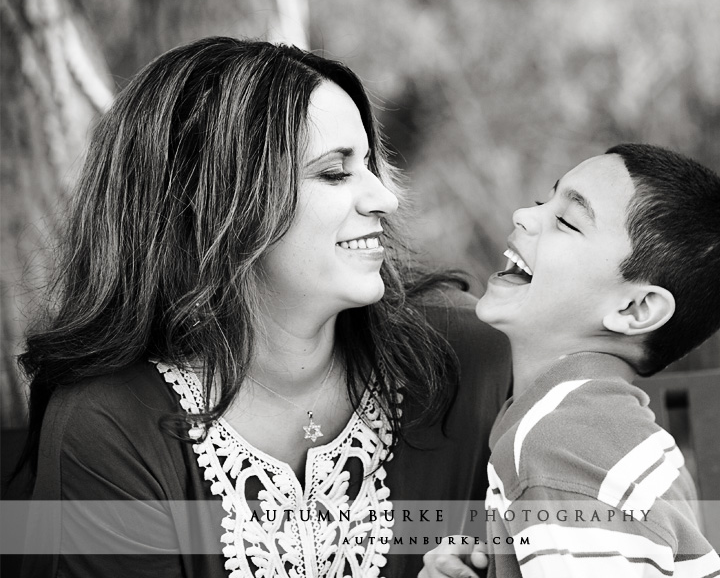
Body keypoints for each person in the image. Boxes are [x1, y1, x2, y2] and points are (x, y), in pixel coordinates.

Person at [16, 36, 511, 578]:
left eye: (368, 164)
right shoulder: (110, 426)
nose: (383, 198)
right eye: (334, 172)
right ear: (216, 206)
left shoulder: (472, 355)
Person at [420, 144, 720, 578]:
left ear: (636, 309)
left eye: (565, 221)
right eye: (545, 201)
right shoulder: (628, 442)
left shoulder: (558, 450)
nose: (524, 214)